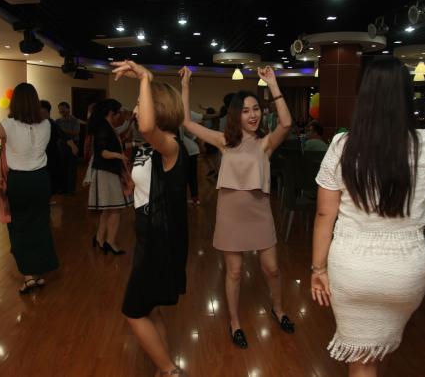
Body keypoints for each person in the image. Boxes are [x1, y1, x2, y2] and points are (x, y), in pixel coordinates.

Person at [311, 59, 425, 377]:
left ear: (363, 94)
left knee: (363, 360)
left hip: (353, 268)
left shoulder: (342, 146)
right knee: (382, 346)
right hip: (406, 270)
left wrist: (318, 269)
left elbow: (325, 213)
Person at [182, 65, 295, 349]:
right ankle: (234, 322)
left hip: (259, 212)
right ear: (236, 115)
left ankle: (278, 309)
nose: (253, 115)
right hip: (230, 214)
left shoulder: (266, 143)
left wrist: (273, 84)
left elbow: (286, 123)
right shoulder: (224, 142)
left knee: (272, 269)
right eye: (245, 111)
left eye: (256, 109)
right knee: (234, 272)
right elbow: (187, 122)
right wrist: (185, 85)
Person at [112, 60, 188, 376]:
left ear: (157, 109)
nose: (134, 109)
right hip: (147, 236)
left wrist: (145, 77)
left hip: (160, 242)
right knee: (150, 308)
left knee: (133, 311)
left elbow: (146, 126)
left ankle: (169, 371)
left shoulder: (170, 145)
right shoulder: (149, 148)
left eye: (140, 103)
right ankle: (164, 367)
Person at [0, 83, 59, 294]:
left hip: (20, 181)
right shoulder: (46, 124)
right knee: (40, 224)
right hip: (41, 180)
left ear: (14, 102)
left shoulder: (8, 125)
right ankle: (39, 272)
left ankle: (29, 276)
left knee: (19, 226)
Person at [87, 98, 133, 255]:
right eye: (118, 113)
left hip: (108, 171)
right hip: (107, 172)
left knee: (108, 210)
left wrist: (136, 145)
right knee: (115, 209)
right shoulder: (104, 128)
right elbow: (102, 152)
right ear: (111, 113)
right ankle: (110, 242)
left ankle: (100, 239)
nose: (120, 116)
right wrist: (119, 156)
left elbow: (115, 146)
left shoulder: (106, 126)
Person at [39, 100, 78, 195]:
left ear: (47, 112)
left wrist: (73, 145)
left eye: (42, 112)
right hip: (41, 156)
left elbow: (64, 135)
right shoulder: (38, 123)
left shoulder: (52, 123)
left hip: (52, 155)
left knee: (54, 176)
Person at [56, 102, 80, 195]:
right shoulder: (57, 121)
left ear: (68, 109)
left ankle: (71, 190)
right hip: (61, 145)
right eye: (59, 109)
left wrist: (62, 132)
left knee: (72, 168)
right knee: (62, 167)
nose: (61, 111)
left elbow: (76, 132)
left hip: (73, 145)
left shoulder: (75, 120)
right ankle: (63, 189)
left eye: (63, 108)